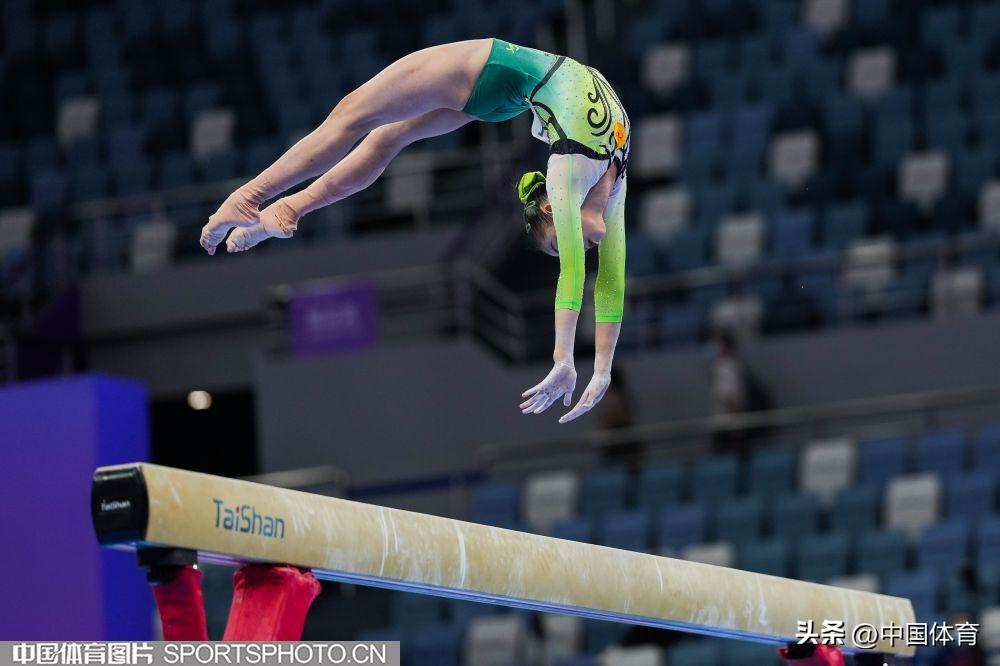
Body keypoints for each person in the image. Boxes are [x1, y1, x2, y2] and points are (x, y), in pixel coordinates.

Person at [200, 38, 629, 424]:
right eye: (561, 243)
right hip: (488, 67)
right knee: (354, 116)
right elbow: (573, 275)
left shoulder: (601, 178)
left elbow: (610, 283)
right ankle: (254, 198)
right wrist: (564, 359)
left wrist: (603, 371)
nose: (577, 248)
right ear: (553, 208)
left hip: (510, 93)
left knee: (378, 135)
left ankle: (286, 208)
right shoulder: (571, 171)